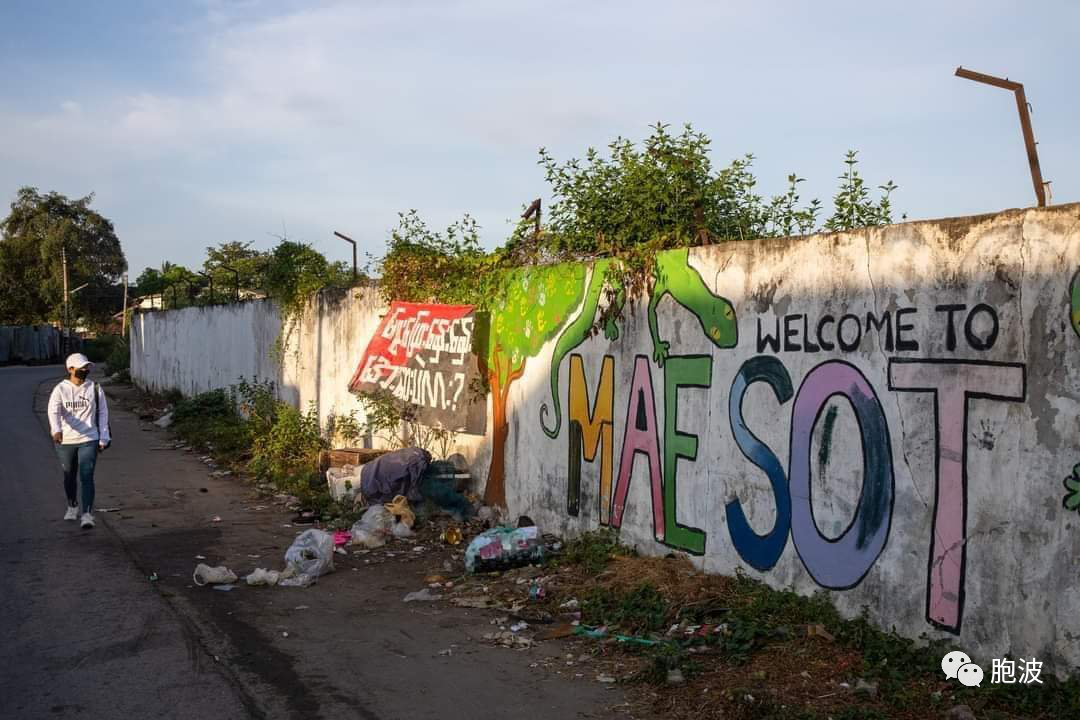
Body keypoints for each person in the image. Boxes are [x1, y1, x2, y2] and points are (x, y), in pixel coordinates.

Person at [47, 353, 111, 529]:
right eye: (82, 367)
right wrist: (56, 430)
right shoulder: (60, 389)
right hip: (66, 440)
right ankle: (72, 505)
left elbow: (103, 413)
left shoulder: (95, 388)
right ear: (71, 369)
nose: (85, 370)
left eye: (87, 367)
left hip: (89, 438)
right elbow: (53, 411)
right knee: (69, 475)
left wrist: (104, 436)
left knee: (87, 476)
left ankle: (87, 514)